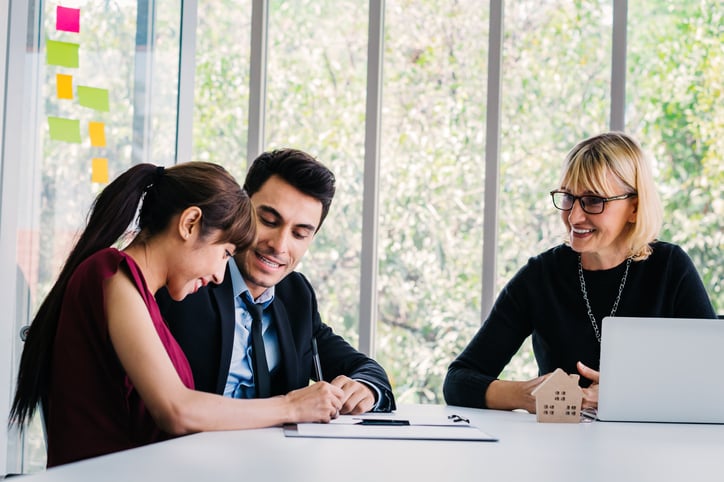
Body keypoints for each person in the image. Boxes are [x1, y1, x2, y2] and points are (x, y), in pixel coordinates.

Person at [9, 162, 347, 467]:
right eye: (225, 253)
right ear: (189, 223)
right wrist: (290, 407)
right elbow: (176, 410)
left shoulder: (140, 294)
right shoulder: (112, 276)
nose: (219, 275)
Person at [443, 131, 717, 413]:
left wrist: (623, 394)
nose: (574, 216)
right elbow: (458, 381)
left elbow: (714, 380)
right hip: (561, 450)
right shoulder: (541, 276)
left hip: (655, 450)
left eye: (593, 201)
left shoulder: (670, 268)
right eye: (568, 197)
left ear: (634, 208)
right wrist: (526, 395)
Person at [157, 148, 396, 414]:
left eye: (299, 234)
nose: (279, 246)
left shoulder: (295, 295)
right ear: (242, 208)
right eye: (269, 221)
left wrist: (365, 387)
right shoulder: (189, 279)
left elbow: (364, 368)